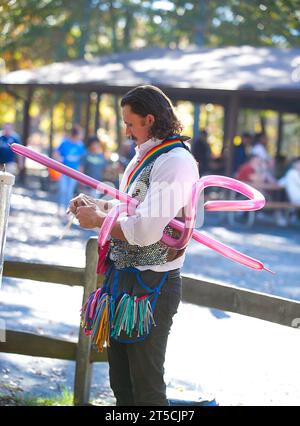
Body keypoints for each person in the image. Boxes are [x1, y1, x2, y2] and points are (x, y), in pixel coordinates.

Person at [69, 85, 199, 406]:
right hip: (124, 281)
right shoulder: (144, 157)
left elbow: (143, 230)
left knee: (147, 389)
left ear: (150, 119)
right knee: (122, 385)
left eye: (130, 123)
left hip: (153, 284)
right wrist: (98, 205)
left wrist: (99, 221)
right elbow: (131, 210)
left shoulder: (175, 162)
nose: (126, 130)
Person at [54, 125, 86, 216]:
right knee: (62, 190)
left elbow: (81, 161)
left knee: (69, 192)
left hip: (74, 173)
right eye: (81, 134)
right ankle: (59, 209)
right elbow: (56, 153)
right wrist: (59, 159)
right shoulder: (65, 143)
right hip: (63, 172)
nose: (82, 136)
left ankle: (66, 212)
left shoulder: (80, 145)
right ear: (75, 134)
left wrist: (81, 175)